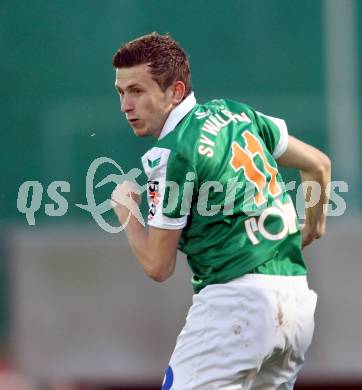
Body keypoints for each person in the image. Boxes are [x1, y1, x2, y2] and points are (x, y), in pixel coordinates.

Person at [111, 32, 331, 389]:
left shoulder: (173, 154)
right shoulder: (237, 113)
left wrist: (126, 212)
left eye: (137, 91)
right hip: (295, 303)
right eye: (121, 92)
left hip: (236, 307)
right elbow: (319, 165)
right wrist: (314, 225)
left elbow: (158, 265)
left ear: (176, 92)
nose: (125, 105)